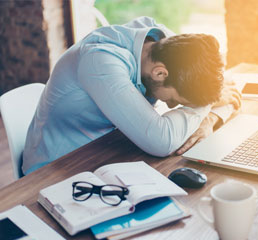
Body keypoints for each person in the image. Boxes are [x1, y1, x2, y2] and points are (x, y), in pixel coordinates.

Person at [22, 16, 241, 175]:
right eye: (176, 99)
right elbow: (160, 141)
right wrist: (204, 107)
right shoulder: (101, 61)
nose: (172, 105)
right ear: (159, 73)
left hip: (109, 151)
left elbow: (228, 88)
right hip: (55, 171)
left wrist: (209, 117)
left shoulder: (163, 45)